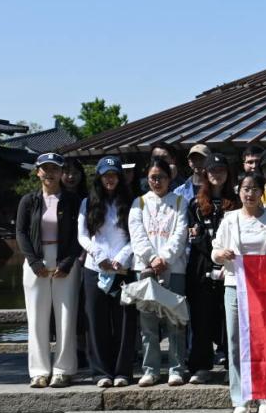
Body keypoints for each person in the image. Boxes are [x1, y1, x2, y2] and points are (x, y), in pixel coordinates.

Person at [211, 173, 266, 413]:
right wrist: (221, 254)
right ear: (239, 191)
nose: (250, 194)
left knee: (265, 342)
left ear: (262, 192)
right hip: (235, 285)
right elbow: (215, 251)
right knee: (236, 341)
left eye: (255, 189)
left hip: (265, 290)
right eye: (246, 188)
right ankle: (241, 399)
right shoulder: (230, 219)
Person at [16, 153, 82, 388]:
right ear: (38, 172)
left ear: (61, 172)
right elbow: (21, 232)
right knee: (36, 318)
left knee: (66, 316)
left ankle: (63, 370)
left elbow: (80, 233)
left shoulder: (73, 201)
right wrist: (34, 262)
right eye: (45, 169)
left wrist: (67, 262)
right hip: (36, 261)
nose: (50, 173)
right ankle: (39, 371)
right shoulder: (29, 201)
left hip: (65, 261)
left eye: (54, 169)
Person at [129, 159, 189, 387]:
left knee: (175, 320)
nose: (157, 182)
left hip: (174, 268)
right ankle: (150, 369)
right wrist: (152, 259)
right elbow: (137, 234)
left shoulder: (180, 202)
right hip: (145, 269)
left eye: (161, 177)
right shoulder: (139, 203)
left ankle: (177, 368)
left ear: (169, 178)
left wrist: (165, 258)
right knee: (148, 322)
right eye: (153, 177)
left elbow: (180, 234)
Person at [77, 156, 135, 388]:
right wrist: (98, 255)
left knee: (124, 321)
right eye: (106, 175)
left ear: (120, 177)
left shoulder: (131, 202)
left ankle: (123, 371)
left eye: (114, 175)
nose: (110, 179)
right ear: (99, 178)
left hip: (122, 269)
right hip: (95, 268)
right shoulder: (87, 203)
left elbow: (136, 235)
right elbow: (82, 235)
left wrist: (122, 258)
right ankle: (101, 372)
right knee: (96, 320)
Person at [185, 153, 238, 385]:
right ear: (206, 173)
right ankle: (201, 365)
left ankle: (231, 364)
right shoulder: (195, 204)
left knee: (229, 319)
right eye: (213, 170)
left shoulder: (237, 202)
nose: (217, 175)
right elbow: (193, 236)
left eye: (221, 170)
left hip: (231, 266)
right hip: (202, 266)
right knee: (201, 317)